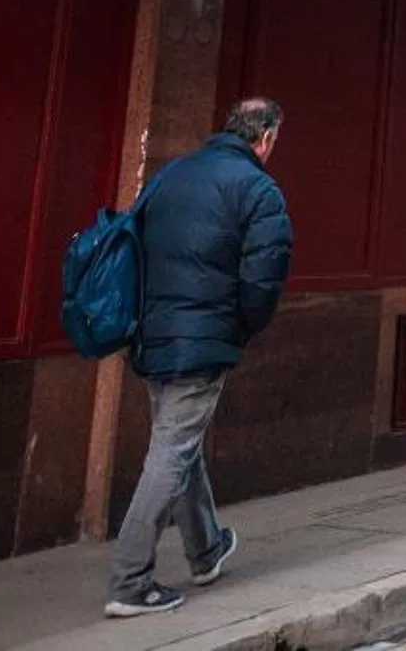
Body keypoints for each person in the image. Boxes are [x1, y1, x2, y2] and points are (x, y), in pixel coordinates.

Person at [106, 97, 293, 618]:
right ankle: (130, 580)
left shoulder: (172, 175)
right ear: (267, 138)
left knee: (177, 440)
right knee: (172, 449)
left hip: (151, 333)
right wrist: (242, 326)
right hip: (202, 336)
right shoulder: (258, 188)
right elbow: (264, 276)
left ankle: (206, 549)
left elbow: (132, 244)